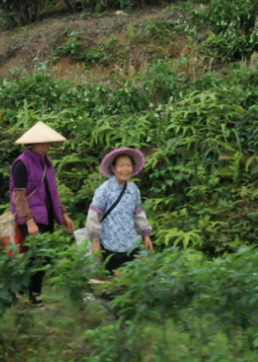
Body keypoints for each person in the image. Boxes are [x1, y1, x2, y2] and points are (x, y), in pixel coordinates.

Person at [9, 121, 75, 304]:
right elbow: (19, 196)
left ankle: (28, 293)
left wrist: (63, 214)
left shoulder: (47, 163)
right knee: (36, 257)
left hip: (46, 215)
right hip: (30, 218)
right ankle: (30, 297)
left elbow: (52, 191)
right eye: (42, 143)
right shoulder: (21, 164)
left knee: (43, 256)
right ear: (31, 144)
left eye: (48, 143)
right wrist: (29, 222)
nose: (46, 146)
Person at [86, 147, 153, 276]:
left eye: (128, 165)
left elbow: (139, 214)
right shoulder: (104, 190)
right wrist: (95, 242)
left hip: (131, 243)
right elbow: (93, 217)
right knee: (111, 284)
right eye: (121, 165)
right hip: (109, 244)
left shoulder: (134, 189)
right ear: (113, 168)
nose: (125, 169)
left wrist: (146, 235)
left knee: (133, 280)